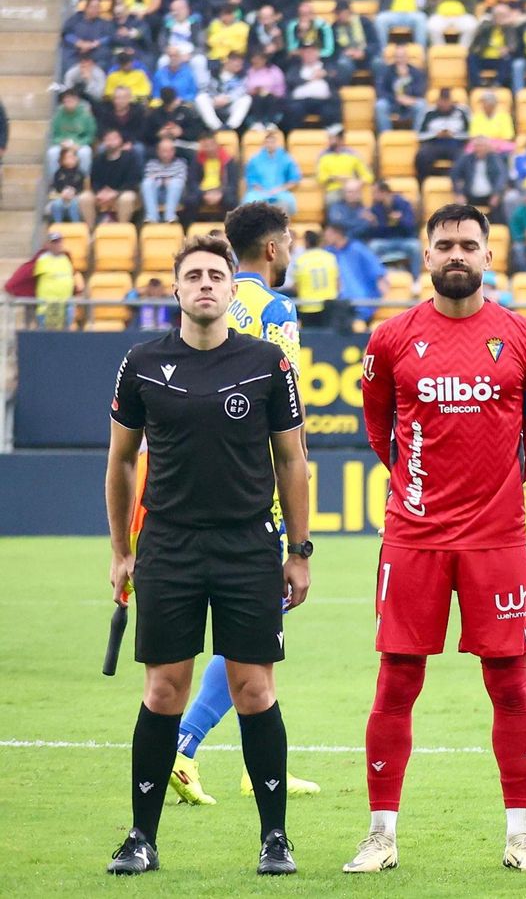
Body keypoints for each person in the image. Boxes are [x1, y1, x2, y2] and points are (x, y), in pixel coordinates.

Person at [346, 204, 526, 875]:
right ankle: (381, 835)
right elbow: (381, 431)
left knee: (511, 685)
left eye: (469, 243)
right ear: (427, 256)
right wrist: (420, 492)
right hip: (413, 538)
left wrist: (493, 490)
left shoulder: (525, 341)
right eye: (445, 245)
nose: (457, 253)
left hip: (498, 542)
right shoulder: (390, 340)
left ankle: (521, 835)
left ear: (489, 256)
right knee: (397, 681)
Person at [103, 234, 310, 875]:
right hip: (168, 545)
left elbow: (292, 461)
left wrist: (299, 551)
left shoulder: (268, 362)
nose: (205, 285)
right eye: (192, 275)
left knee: (254, 689)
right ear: (176, 288)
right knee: (164, 690)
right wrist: (122, 551)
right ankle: (141, 837)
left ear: (230, 286)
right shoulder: (140, 363)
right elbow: (119, 463)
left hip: (248, 544)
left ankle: (274, 839)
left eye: (215, 275)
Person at [161, 202, 321, 807]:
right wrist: (296, 476)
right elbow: (287, 404)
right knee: (254, 626)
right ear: (274, 248)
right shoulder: (276, 311)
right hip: (256, 489)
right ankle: (186, 742)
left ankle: (257, 763)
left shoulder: (219, 305)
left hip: (201, 480)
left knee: (254, 631)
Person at [33, 231, 81, 331]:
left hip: (65, 306)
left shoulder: (66, 259)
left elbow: (70, 277)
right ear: (48, 245)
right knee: (47, 338)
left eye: (59, 242)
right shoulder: (43, 259)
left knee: (65, 338)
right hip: (48, 306)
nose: (57, 245)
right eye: (54, 242)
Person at [292, 229, 339, 329]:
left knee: (311, 339)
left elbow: (296, 286)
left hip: (308, 306)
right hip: (329, 305)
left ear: (307, 242)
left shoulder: (301, 260)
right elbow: (338, 283)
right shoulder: (330, 257)